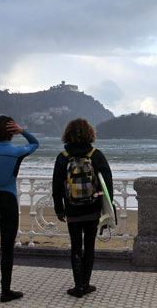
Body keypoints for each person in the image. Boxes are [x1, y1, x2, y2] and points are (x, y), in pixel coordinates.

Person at [0, 116, 39, 304]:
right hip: (9, 202)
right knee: (7, 249)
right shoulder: (18, 151)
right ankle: (5, 292)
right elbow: (35, 143)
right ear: (12, 133)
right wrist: (22, 131)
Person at [51, 118, 113, 298]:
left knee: (76, 246)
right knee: (90, 245)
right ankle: (86, 284)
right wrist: (108, 209)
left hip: (72, 209)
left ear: (67, 134)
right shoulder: (95, 154)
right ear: (89, 133)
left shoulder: (63, 157)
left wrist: (59, 208)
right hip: (92, 208)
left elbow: (56, 185)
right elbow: (107, 184)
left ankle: (77, 286)